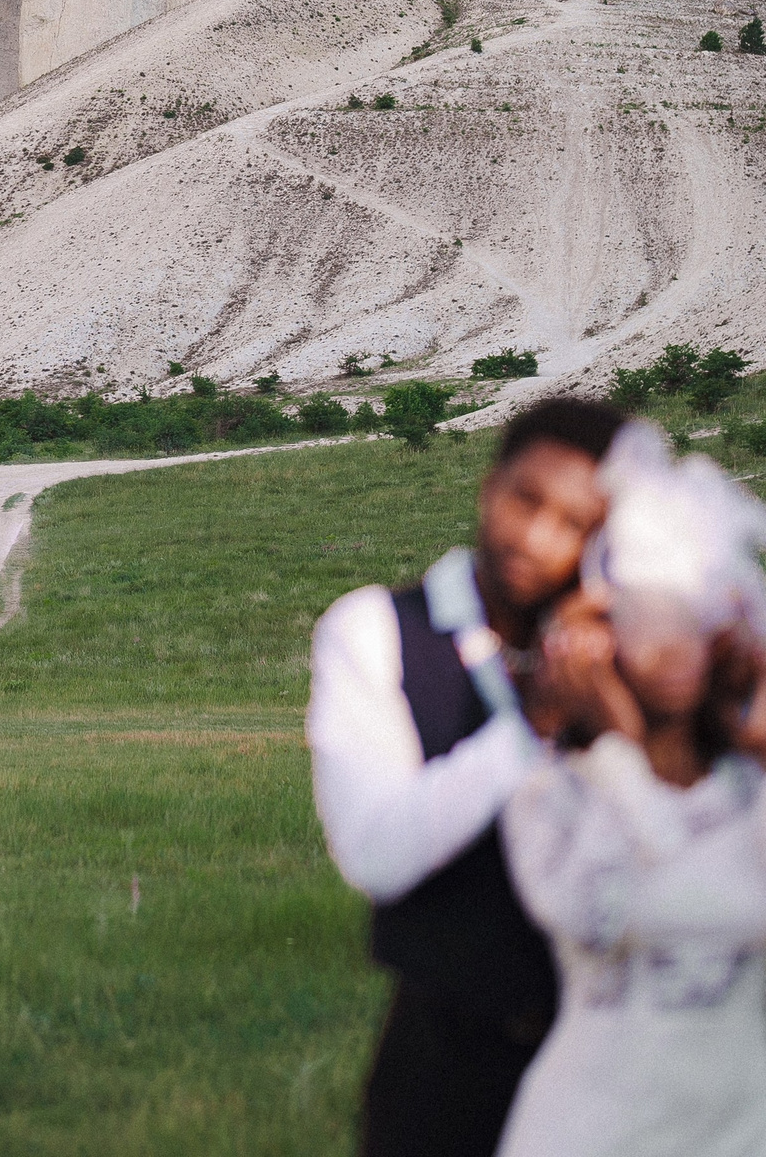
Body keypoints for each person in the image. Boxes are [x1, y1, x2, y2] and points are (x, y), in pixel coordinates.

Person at [494, 422, 766, 1157]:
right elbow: (593, 921)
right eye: (644, 620)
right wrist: (617, 747)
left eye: (693, 619)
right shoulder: (556, 797)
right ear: (596, 636)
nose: (673, 644)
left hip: (739, 1137)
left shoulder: (755, 793)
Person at [307, 397, 639, 1157]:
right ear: (490, 484)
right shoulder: (377, 631)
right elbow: (376, 854)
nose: (536, 536)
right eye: (527, 500)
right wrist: (533, 727)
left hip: (613, 1058)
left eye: (576, 525)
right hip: (445, 1070)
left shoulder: (623, 652)